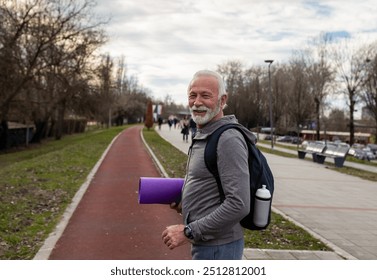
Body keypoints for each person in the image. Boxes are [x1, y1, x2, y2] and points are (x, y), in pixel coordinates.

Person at [162, 70, 255, 260]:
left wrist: (188, 232)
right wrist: (186, 203)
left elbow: (239, 204)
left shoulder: (227, 139)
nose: (197, 102)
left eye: (205, 95)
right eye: (192, 95)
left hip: (218, 248)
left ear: (222, 100)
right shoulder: (207, 133)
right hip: (209, 245)